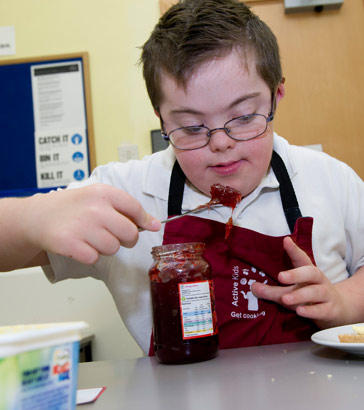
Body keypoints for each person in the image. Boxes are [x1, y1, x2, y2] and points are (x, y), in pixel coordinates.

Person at [1, 0, 364, 354]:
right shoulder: (129, 194)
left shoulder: (331, 180)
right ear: (161, 121)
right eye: (191, 126)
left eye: (242, 117)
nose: (221, 142)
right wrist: (31, 219)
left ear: (275, 98)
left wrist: (342, 302)